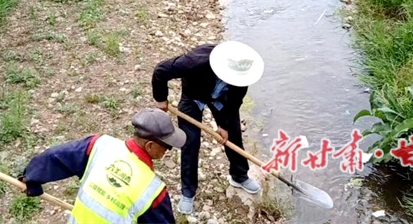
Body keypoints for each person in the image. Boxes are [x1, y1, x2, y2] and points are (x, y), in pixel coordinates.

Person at [153, 41, 265, 215]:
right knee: (190, 142)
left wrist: (224, 126)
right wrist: (161, 98)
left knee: (234, 135)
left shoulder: (243, 74)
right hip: (194, 95)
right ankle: (188, 192)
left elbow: (235, 101)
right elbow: (161, 71)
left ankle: (239, 176)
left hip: (221, 98)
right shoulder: (196, 61)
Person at [20, 108, 185, 224]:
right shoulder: (152, 190)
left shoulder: (99, 146)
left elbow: (56, 156)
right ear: (150, 146)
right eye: (167, 146)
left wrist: (31, 177)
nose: (168, 150)